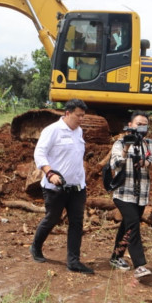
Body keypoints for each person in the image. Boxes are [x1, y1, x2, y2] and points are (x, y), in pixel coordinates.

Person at [28, 98, 94, 275]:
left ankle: (73, 262)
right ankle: (35, 247)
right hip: (55, 187)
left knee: (76, 223)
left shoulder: (78, 131)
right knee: (52, 218)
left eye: (83, 116)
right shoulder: (52, 130)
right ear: (67, 113)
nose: (81, 119)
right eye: (78, 115)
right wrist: (50, 173)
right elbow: (39, 153)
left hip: (77, 187)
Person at [107, 111, 152, 279]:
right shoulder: (120, 143)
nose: (142, 127)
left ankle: (116, 257)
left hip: (141, 195)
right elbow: (115, 164)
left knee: (127, 226)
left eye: (145, 124)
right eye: (139, 124)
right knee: (133, 224)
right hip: (123, 193)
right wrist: (126, 149)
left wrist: (146, 163)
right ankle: (140, 265)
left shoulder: (149, 144)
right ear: (130, 125)